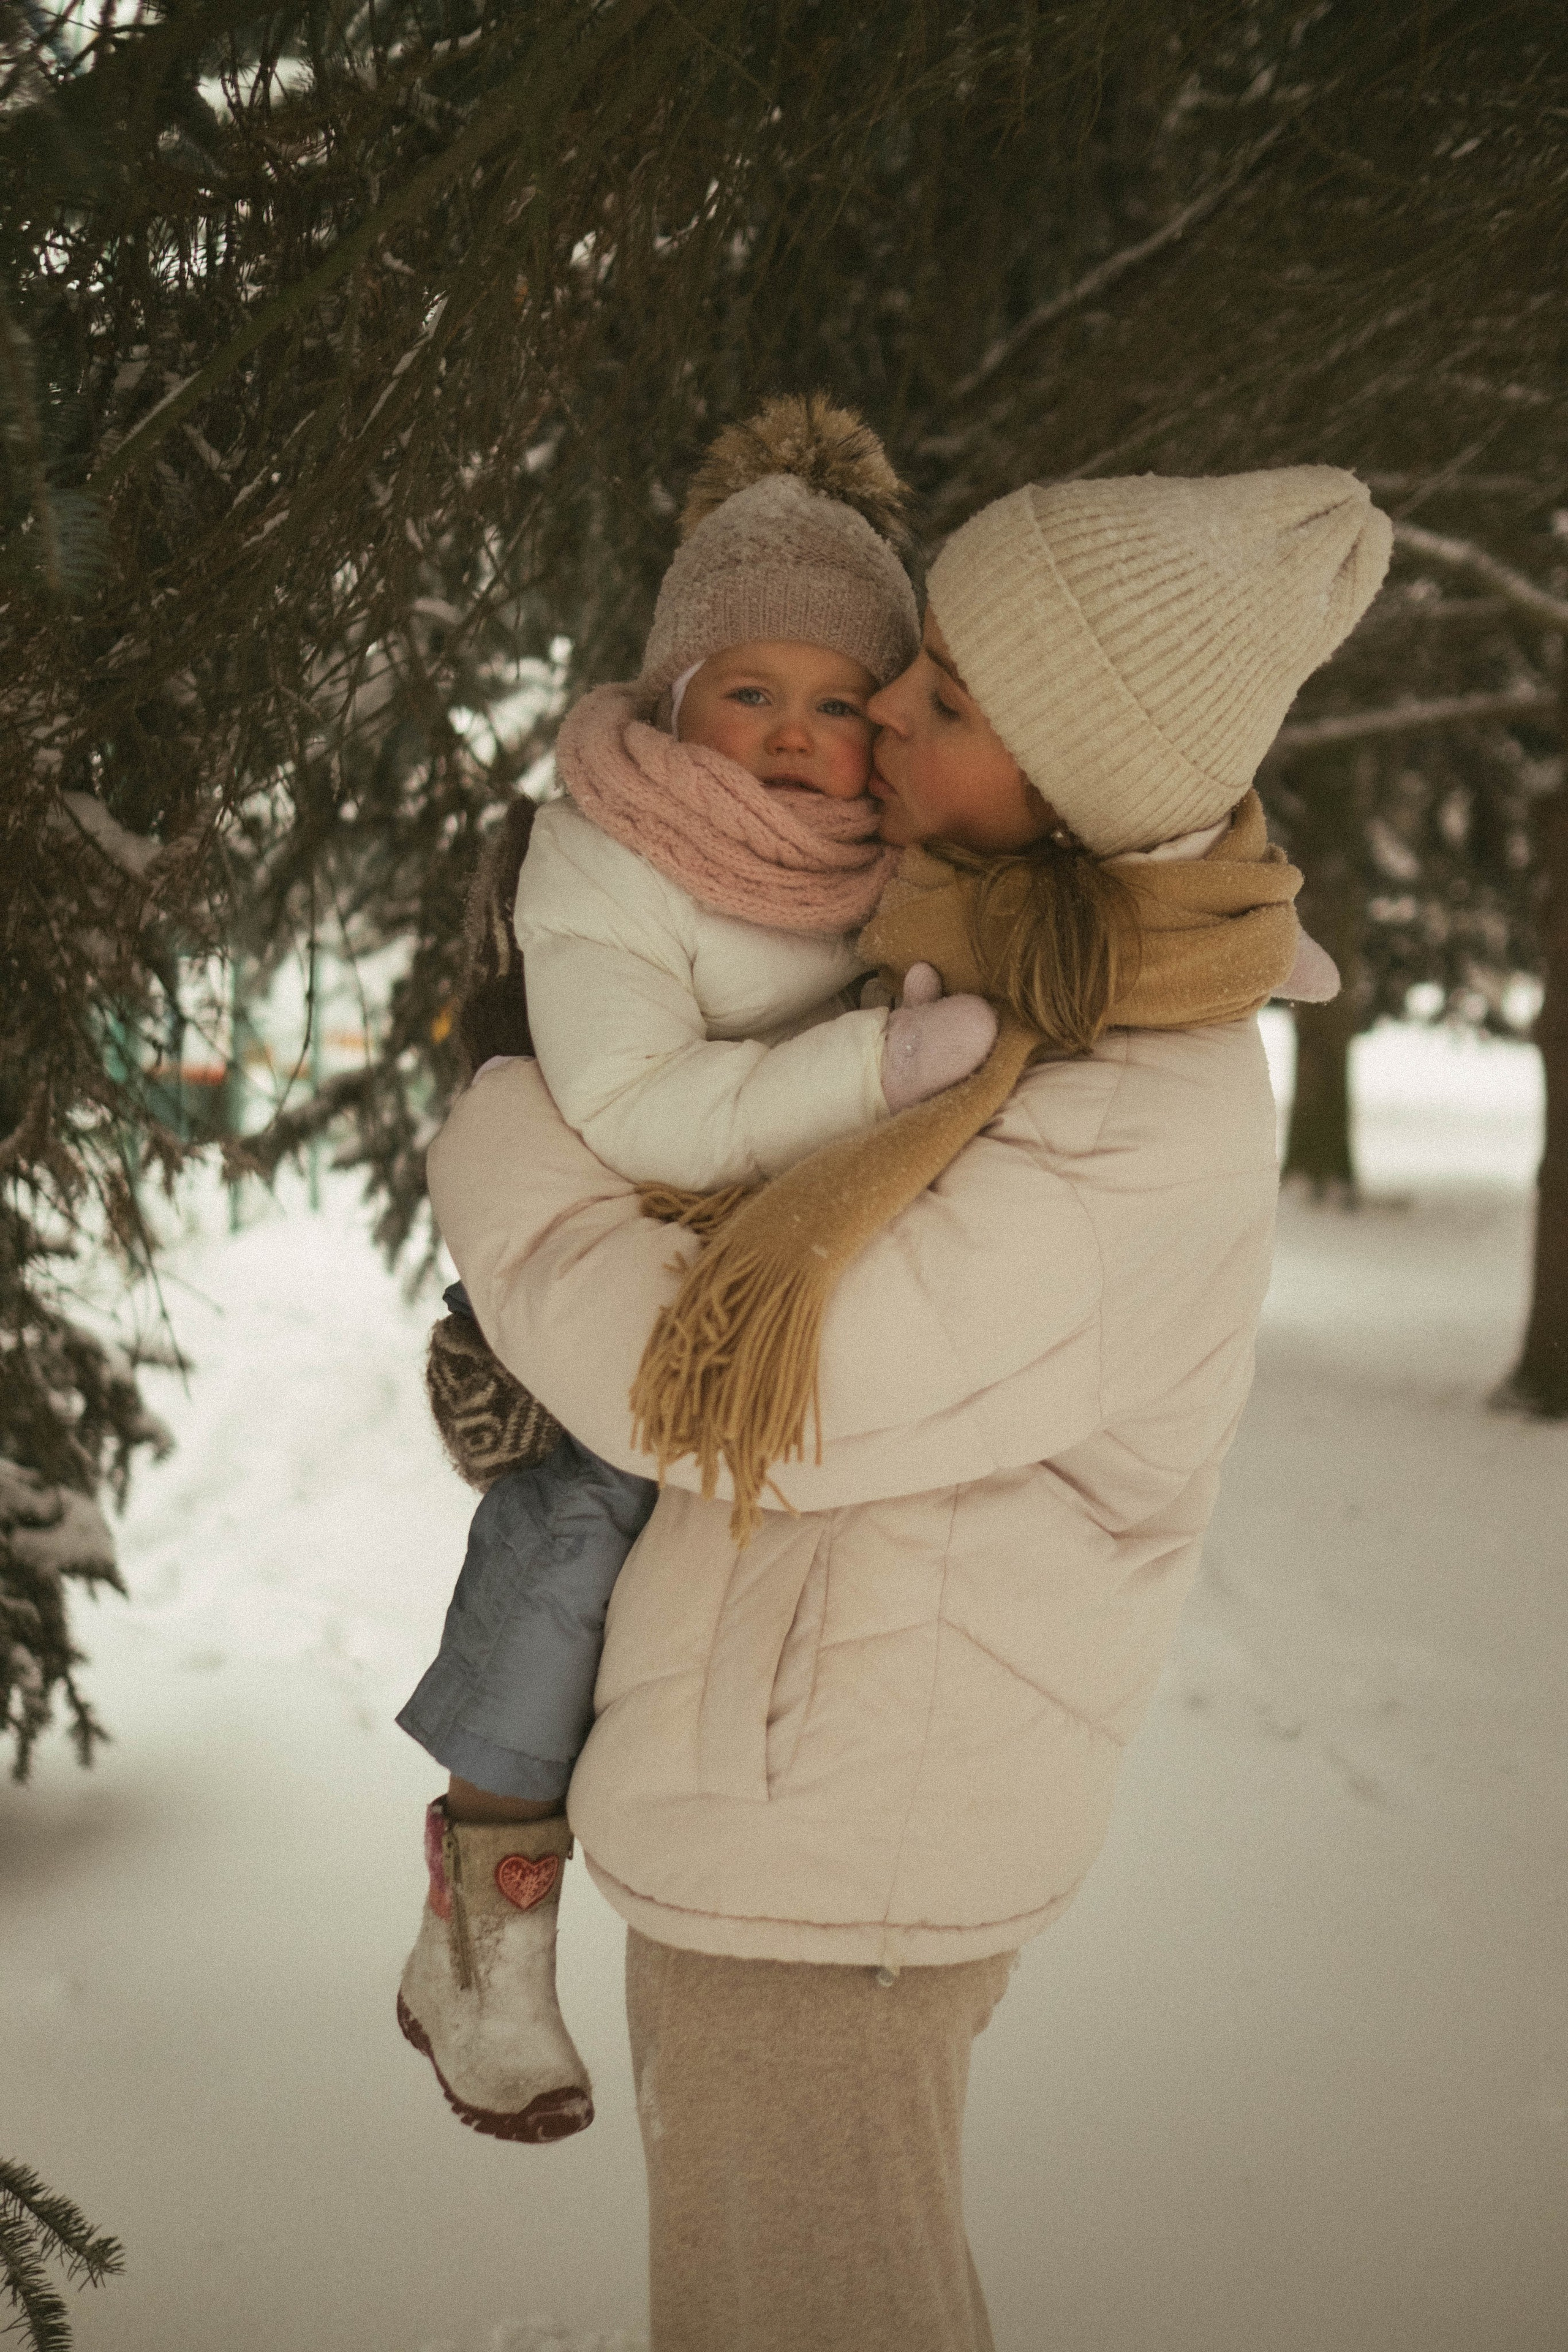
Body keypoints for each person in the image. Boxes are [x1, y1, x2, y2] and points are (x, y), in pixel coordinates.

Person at [424, 461, 1391, 2351]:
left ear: (1069, 782)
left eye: (944, 700)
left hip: (838, 1852)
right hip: (795, 1796)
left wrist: (505, 1148)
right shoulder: (985, 967)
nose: (878, 714)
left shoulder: (1134, 1103)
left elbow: (736, 1399)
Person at [394, 398, 1002, 2144]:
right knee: (576, 1537)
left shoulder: (896, 858)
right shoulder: (612, 850)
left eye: (838, 703)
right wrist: (874, 1072)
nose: (798, 740)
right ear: (674, 697)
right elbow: (639, 1107)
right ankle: (481, 1936)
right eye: (754, 693)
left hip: (781, 1291)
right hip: (612, 1268)